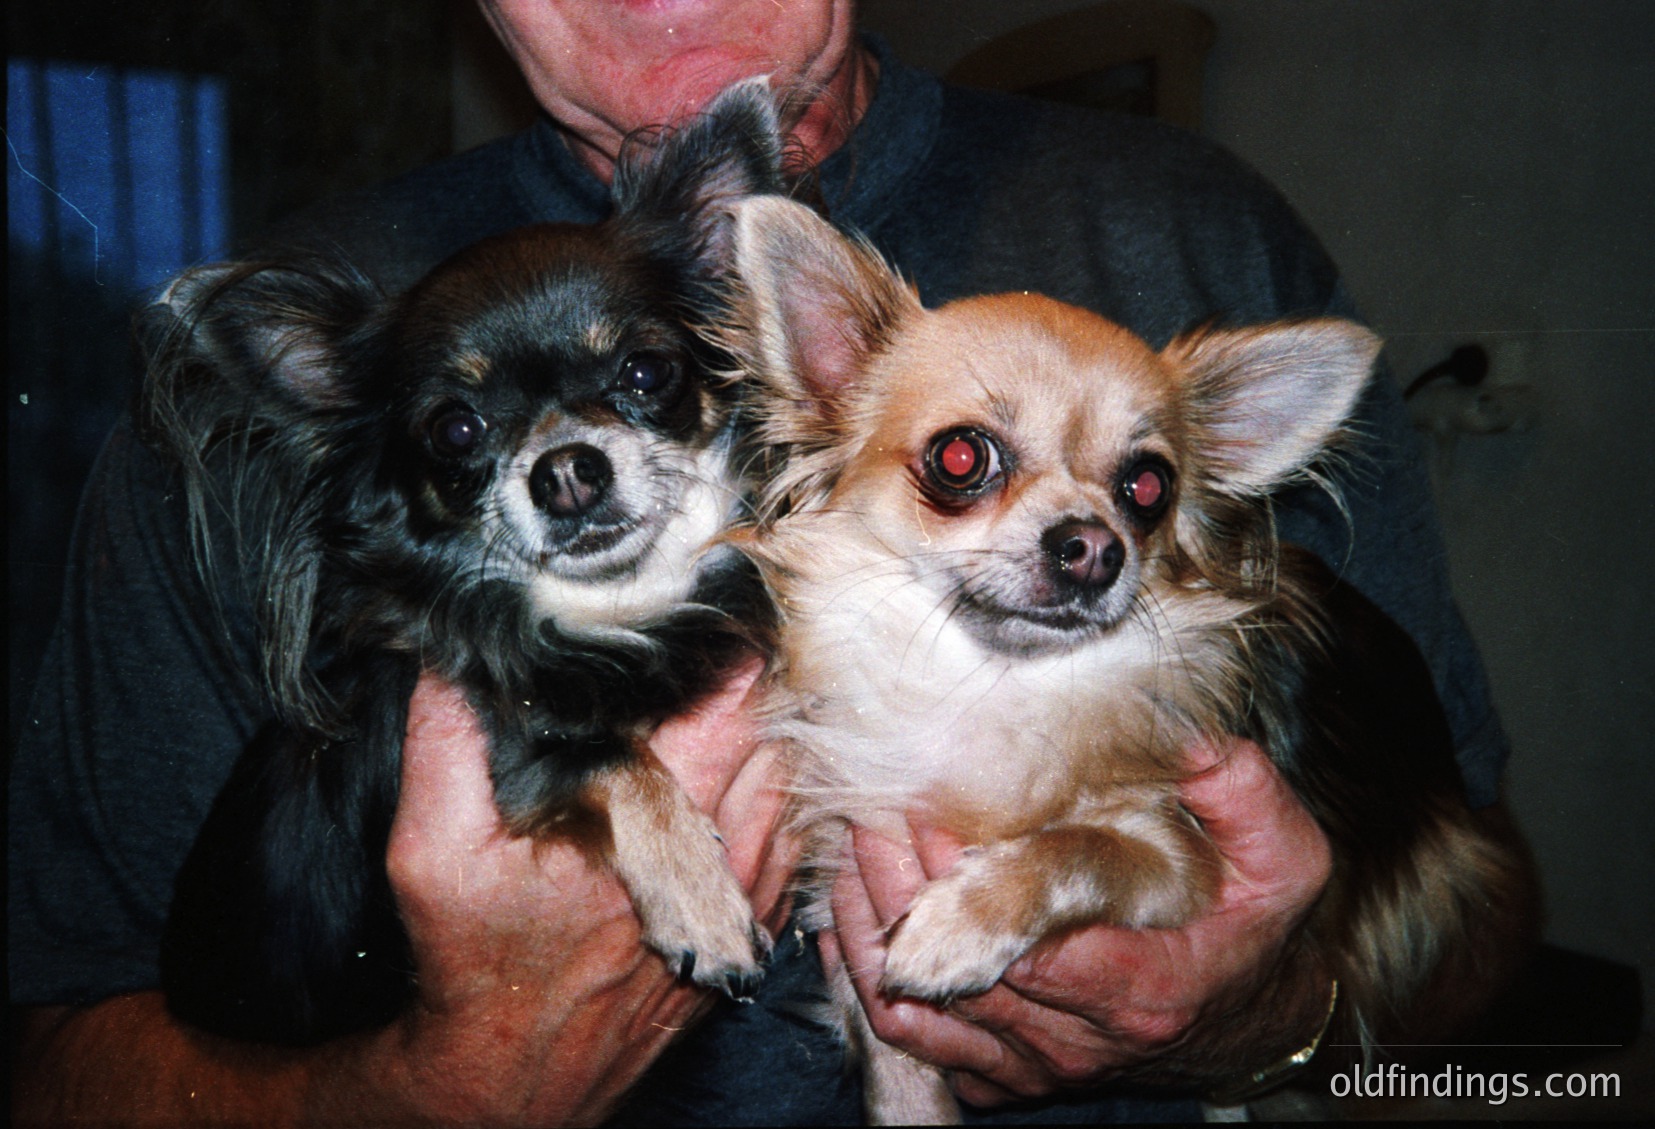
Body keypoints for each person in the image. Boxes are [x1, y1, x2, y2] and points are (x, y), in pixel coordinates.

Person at [11, 1, 1517, 1124]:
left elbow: (1481, 928)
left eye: (1131, 484)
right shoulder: (281, 384)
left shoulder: (1211, 238)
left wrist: (1279, 1014)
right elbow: (45, 1055)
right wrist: (444, 1086)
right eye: (962, 461)